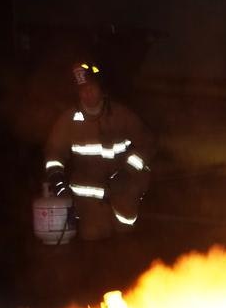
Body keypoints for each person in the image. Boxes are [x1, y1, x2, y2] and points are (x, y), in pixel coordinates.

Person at [43, 62, 154, 241]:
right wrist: (58, 182)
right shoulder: (68, 120)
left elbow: (147, 144)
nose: (88, 94)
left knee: (125, 229)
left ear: (102, 90)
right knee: (94, 235)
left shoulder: (121, 115)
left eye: (92, 88)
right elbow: (54, 153)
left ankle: (129, 244)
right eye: (83, 90)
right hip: (89, 188)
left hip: (123, 184)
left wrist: (126, 172)